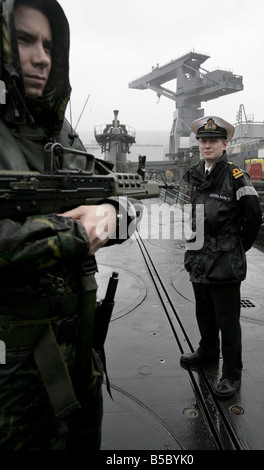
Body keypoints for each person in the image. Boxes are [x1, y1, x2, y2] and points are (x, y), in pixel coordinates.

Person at [0, 0, 136, 449]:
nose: (41, 56)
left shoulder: (62, 134)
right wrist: (75, 234)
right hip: (14, 383)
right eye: (24, 39)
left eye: (49, 44)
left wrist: (113, 215)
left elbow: (121, 196)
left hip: (81, 356)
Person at [180, 116, 262, 399]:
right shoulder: (196, 175)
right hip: (199, 254)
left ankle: (231, 373)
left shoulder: (236, 176)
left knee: (227, 320)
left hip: (225, 257)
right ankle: (207, 351)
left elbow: (253, 216)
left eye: (213, 140)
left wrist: (238, 248)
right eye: (203, 140)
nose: (207, 145)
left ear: (225, 143)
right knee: (204, 311)